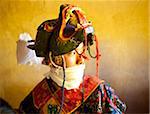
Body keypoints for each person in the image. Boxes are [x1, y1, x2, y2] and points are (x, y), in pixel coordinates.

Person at [18, 4, 126, 114]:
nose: (81, 60)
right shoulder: (40, 95)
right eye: (72, 53)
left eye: (82, 51)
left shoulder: (100, 91)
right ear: (54, 59)